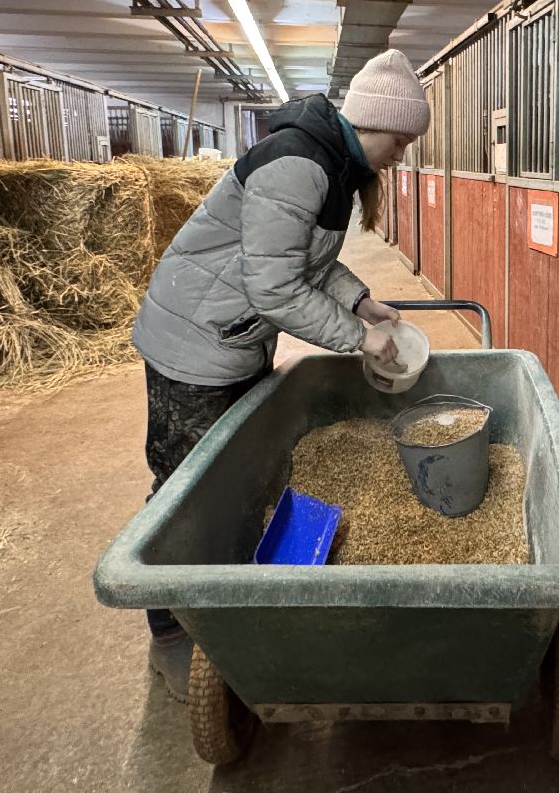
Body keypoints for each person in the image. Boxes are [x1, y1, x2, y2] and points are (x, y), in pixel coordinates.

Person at [129, 48, 430, 701]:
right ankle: (170, 634)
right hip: (195, 342)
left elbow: (307, 263)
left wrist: (360, 300)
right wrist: (361, 339)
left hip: (231, 339)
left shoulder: (332, 165)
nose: (401, 156)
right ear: (374, 123)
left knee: (235, 471)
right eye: (401, 141)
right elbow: (275, 290)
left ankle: (237, 596)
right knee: (185, 488)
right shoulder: (299, 164)